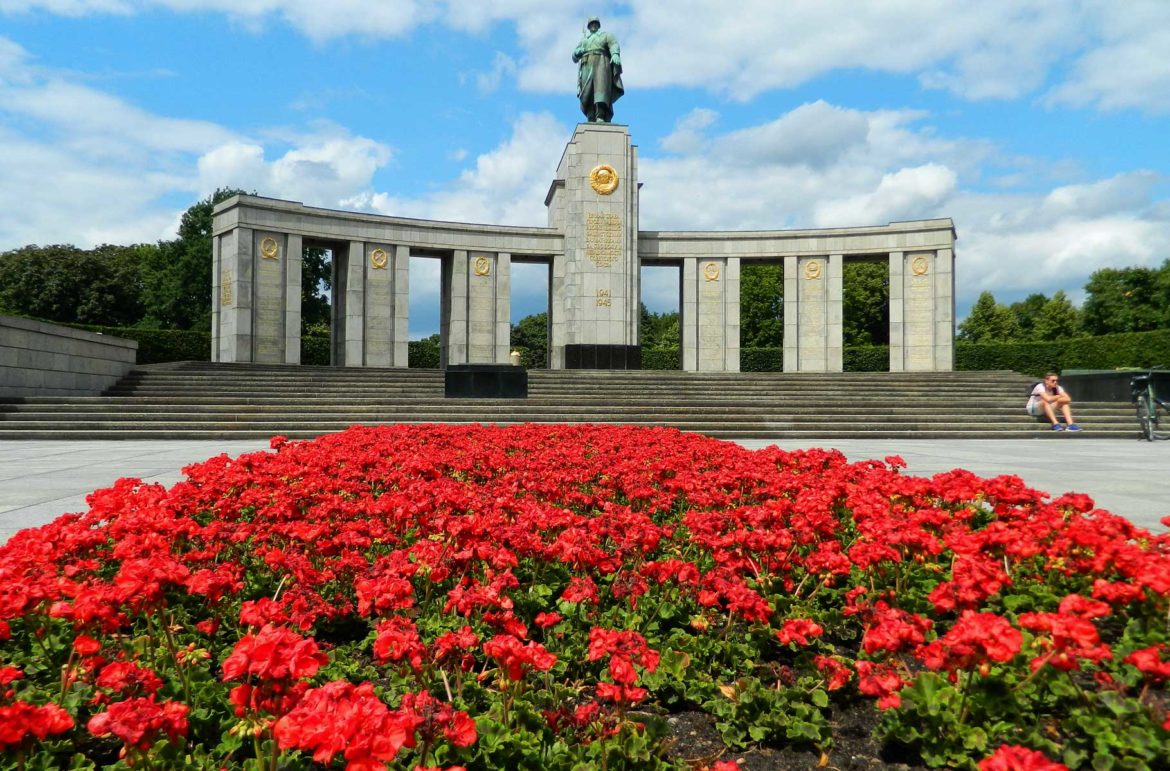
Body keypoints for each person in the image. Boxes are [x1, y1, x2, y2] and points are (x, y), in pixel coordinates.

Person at [573, 16, 623, 123]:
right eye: (591, 24)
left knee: (601, 90)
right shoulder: (584, 40)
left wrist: (615, 54)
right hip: (586, 64)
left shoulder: (606, 35)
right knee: (588, 92)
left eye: (595, 23)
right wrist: (577, 53)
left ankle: (600, 115)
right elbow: (574, 56)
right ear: (589, 26)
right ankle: (590, 115)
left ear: (598, 25)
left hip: (601, 63)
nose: (593, 25)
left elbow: (614, 44)